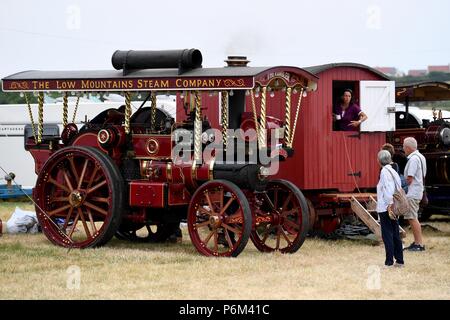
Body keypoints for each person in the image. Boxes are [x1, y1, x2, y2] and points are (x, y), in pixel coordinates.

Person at [376, 150, 404, 267]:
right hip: (394, 206)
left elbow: (388, 189)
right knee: (395, 233)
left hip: (386, 207)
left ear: (379, 160)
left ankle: (389, 262)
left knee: (387, 234)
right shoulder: (393, 171)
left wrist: (389, 204)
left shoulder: (384, 172)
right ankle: (399, 260)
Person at [402, 137, 426, 251]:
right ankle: (417, 242)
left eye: (403, 146)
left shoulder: (412, 159)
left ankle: (419, 244)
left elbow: (409, 179)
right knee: (413, 217)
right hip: (418, 190)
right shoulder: (421, 157)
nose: (403, 149)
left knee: (412, 218)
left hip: (412, 192)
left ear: (408, 147)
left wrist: (399, 185)